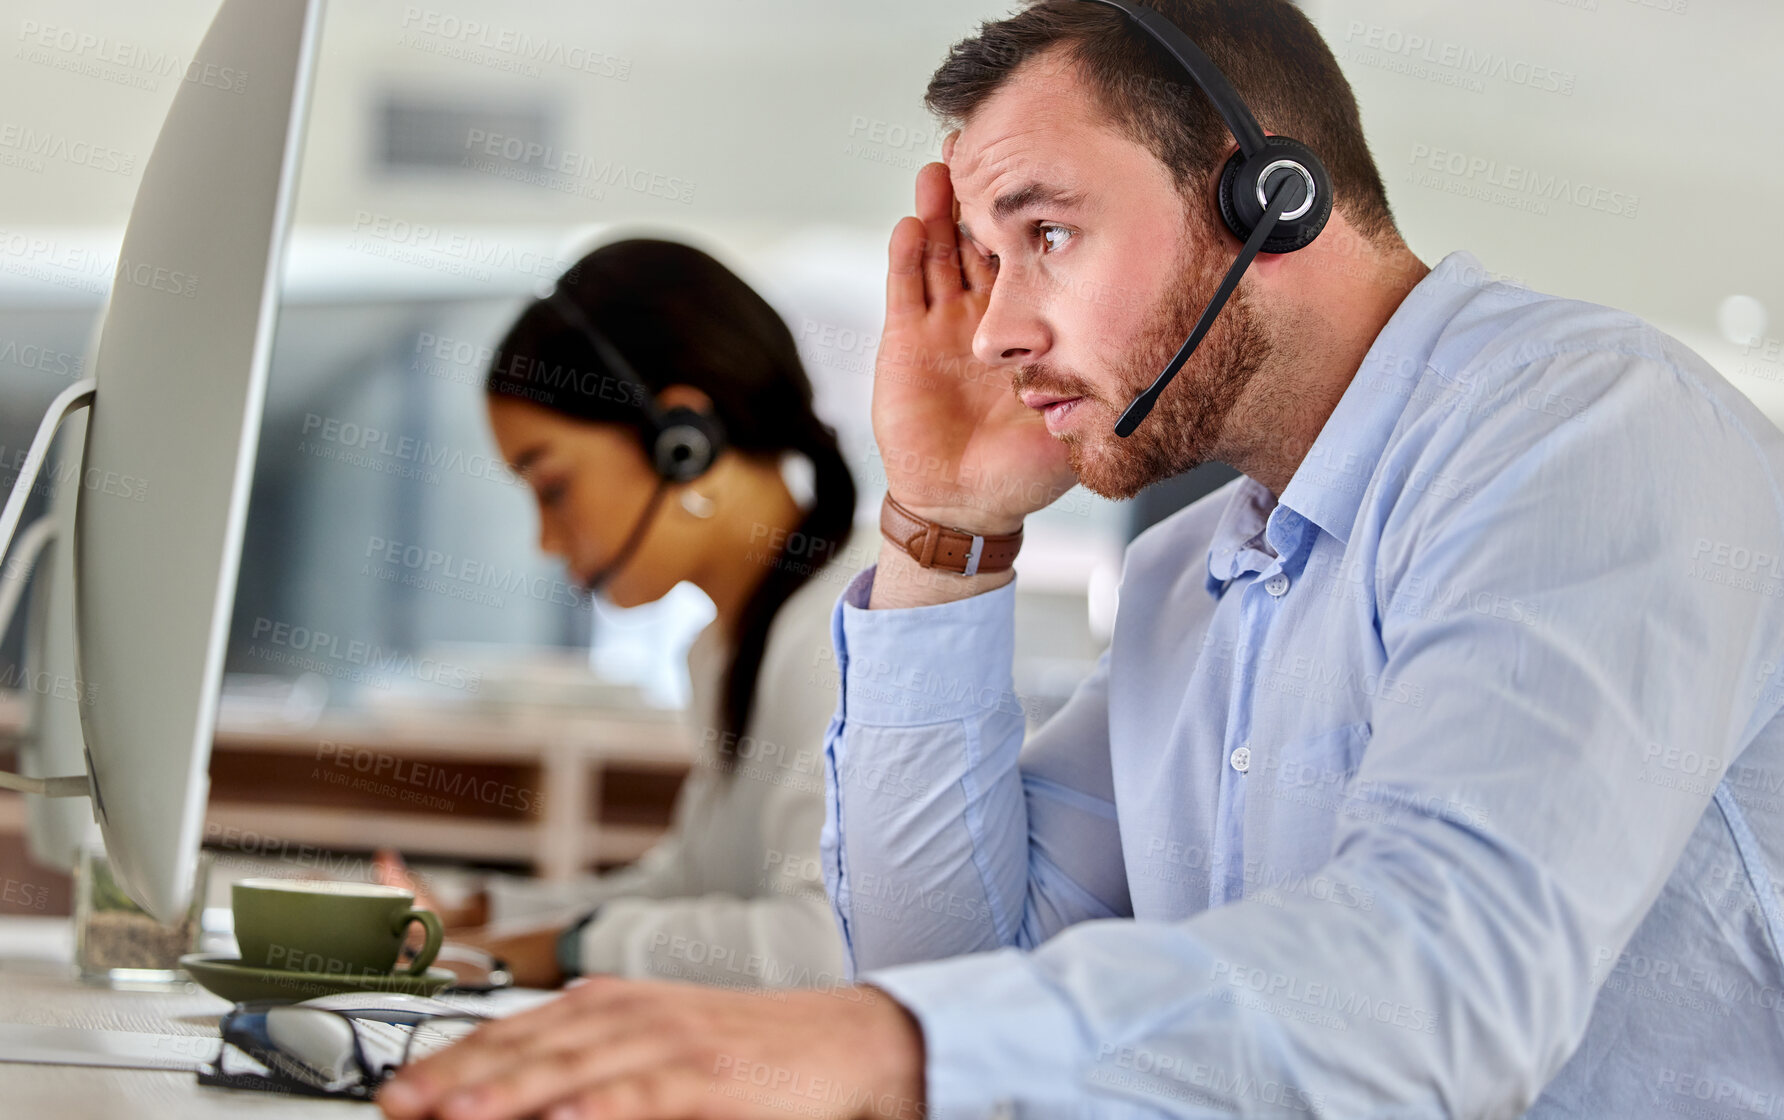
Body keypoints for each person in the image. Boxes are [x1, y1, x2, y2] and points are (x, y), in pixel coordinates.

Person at [376, 4, 1784, 1118]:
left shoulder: (1586, 435)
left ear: (1267, 200)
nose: (992, 333)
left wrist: (887, 1048)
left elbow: (1447, 996)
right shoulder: (1198, 580)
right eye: (981, 262)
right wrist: (942, 528)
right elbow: (947, 966)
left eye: (1044, 234)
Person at [394, 237, 864, 991]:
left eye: (551, 488)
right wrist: (479, 914)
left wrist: (555, 952)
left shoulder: (845, 630)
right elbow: (692, 889)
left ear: (683, 441)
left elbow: (824, 949)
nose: (547, 541)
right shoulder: (731, 642)